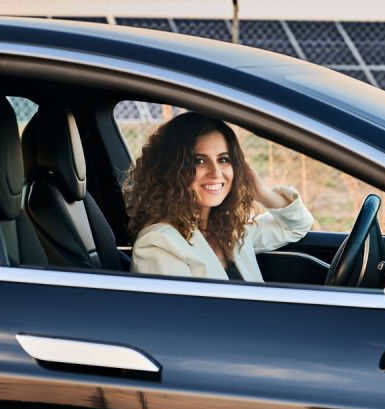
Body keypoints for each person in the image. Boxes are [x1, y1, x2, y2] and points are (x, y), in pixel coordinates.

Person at [122, 112, 313, 282]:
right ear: (172, 171)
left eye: (223, 159)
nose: (215, 172)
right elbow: (181, 319)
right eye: (199, 161)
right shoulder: (159, 243)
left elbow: (296, 225)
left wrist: (262, 193)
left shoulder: (229, 230)